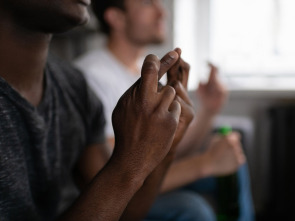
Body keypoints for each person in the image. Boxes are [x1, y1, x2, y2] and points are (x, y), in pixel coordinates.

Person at [0, 0, 197, 220]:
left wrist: (166, 146)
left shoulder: (74, 86)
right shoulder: (91, 74)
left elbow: (125, 212)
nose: (162, 13)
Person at [74, 0, 255, 220]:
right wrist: (204, 163)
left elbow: (169, 150)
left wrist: (208, 110)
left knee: (232, 159)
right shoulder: (93, 75)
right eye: (147, 3)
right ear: (116, 18)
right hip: (120, 197)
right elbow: (121, 173)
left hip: (146, 181)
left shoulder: (143, 71)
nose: (162, 12)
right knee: (192, 208)